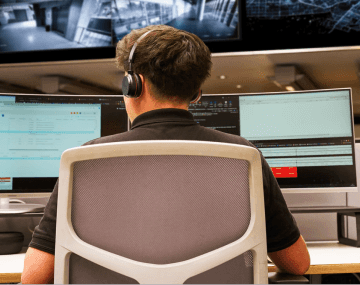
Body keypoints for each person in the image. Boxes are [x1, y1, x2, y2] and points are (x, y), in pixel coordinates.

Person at [21, 25, 310, 284]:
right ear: (197, 93)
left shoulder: (89, 161)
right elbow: (297, 264)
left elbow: (35, 276)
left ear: (134, 84)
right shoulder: (241, 156)